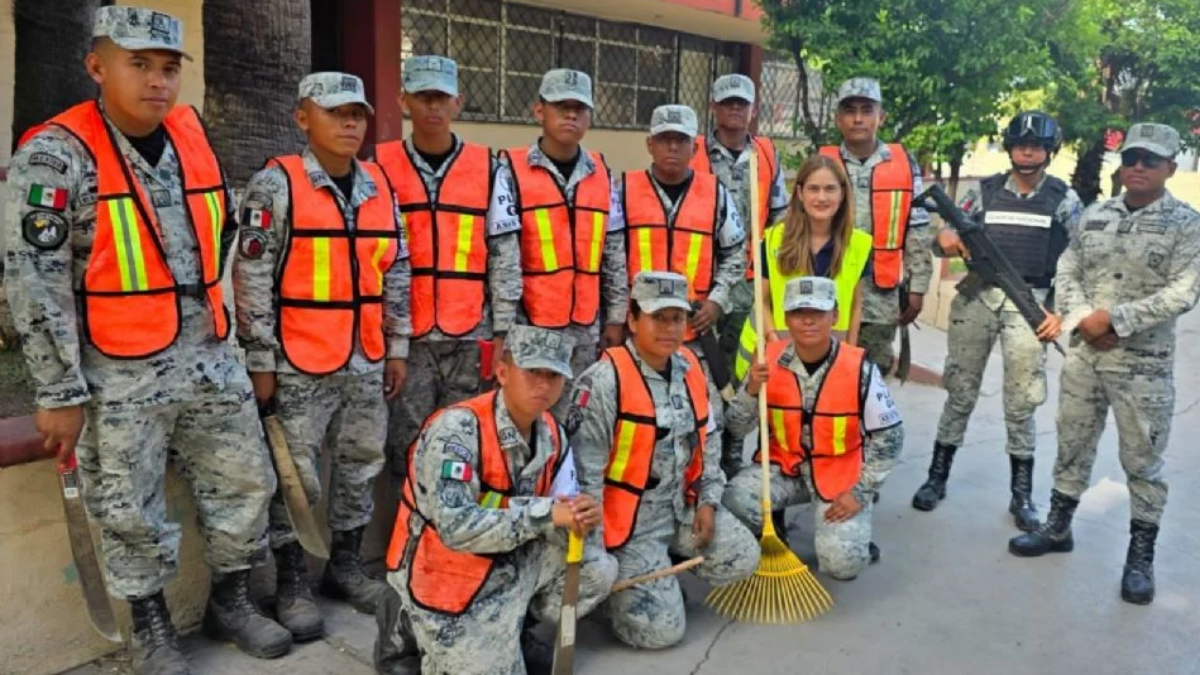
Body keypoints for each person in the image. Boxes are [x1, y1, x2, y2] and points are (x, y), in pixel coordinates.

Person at [4, 7, 290, 671]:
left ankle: (231, 598)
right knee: (130, 507)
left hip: (209, 355)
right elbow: (32, 280)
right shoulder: (55, 155)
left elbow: (220, 239)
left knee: (247, 483)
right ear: (97, 66)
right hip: (118, 369)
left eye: (168, 68)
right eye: (138, 64)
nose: (158, 82)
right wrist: (57, 389)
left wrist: (246, 346)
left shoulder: (191, 133)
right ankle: (153, 627)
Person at [233, 72, 410, 638]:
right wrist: (261, 360)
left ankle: (346, 566)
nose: (349, 123)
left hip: (365, 357)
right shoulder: (275, 185)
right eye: (335, 113)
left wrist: (396, 347)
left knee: (361, 464)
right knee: (296, 475)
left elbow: (396, 271)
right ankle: (292, 582)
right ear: (303, 119)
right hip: (297, 360)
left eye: (356, 113)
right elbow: (252, 275)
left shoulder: (378, 185)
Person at [1009, 123, 1200, 605]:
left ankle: (1140, 559)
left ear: (1170, 168)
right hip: (1086, 357)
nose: (1137, 167)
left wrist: (1114, 319)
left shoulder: (1188, 224)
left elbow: (1184, 290)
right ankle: (1057, 528)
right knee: (1072, 443)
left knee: (1142, 460)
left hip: (1143, 365)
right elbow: (1068, 268)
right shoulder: (1095, 215)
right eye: (1131, 157)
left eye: (1150, 160)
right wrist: (1079, 318)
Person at [376, 325, 617, 675]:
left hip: (507, 558)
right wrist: (547, 514)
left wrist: (581, 514)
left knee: (598, 569)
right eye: (533, 371)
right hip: (446, 569)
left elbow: (564, 510)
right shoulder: (457, 430)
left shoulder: (551, 432)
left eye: (554, 375)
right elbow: (456, 529)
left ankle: (510, 625)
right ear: (502, 372)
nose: (544, 385)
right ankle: (405, 622)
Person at [566, 271, 759, 649]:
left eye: (678, 318)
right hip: (628, 527)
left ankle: (657, 574)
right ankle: (616, 595)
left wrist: (707, 501)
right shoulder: (603, 382)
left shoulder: (690, 369)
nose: (671, 328)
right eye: (658, 317)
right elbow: (583, 480)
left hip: (679, 509)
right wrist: (595, 561)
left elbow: (710, 442)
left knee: (741, 556)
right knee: (661, 633)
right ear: (634, 320)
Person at [914, 111, 1081, 531]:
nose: (1028, 151)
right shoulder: (982, 194)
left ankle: (1021, 496)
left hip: (1032, 305)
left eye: (1037, 145)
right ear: (1009, 148)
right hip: (977, 301)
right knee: (959, 390)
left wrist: (1061, 312)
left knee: (1021, 402)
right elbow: (940, 239)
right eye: (1021, 144)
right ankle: (936, 478)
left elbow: (1080, 261)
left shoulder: (1065, 200)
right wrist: (944, 240)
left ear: (1049, 150)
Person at [375, 55, 522, 486]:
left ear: (458, 102)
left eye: (441, 97)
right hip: (410, 341)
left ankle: (456, 540)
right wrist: (392, 342)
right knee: (408, 444)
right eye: (423, 97)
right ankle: (412, 538)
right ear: (404, 101)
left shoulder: (489, 169)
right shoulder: (380, 168)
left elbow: (504, 253)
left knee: (466, 441)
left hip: (470, 337)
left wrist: (502, 334)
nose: (432, 107)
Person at [722, 277, 904, 581]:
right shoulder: (768, 359)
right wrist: (751, 390)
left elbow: (891, 438)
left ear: (834, 316)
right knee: (736, 498)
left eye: (818, 312)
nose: (807, 320)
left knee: (842, 565)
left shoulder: (858, 367)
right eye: (798, 312)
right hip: (784, 471)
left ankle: (851, 534)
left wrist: (860, 492)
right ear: (785, 317)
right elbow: (736, 427)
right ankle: (772, 531)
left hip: (839, 475)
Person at [501, 69, 628, 418]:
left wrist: (615, 317)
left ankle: (566, 474)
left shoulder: (601, 173)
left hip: (584, 329)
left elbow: (614, 252)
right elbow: (503, 259)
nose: (571, 115)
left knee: (576, 417)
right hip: (530, 325)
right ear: (539, 111)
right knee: (526, 415)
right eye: (561, 106)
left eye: (579, 108)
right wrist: (504, 327)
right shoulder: (509, 170)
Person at [819, 77, 934, 375]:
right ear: (838, 119)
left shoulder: (904, 165)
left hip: (881, 294)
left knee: (873, 374)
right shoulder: (822, 163)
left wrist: (918, 286)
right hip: (828, 289)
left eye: (866, 110)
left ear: (880, 117)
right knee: (827, 372)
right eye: (850, 110)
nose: (858, 118)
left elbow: (917, 228)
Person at [733, 153, 874, 382]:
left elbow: (856, 306)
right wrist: (775, 345)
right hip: (772, 358)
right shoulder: (773, 240)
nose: (821, 197)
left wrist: (848, 355)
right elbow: (763, 301)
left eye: (830, 189)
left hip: (826, 361)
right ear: (800, 193)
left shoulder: (858, 244)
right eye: (813, 189)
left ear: (842, 193)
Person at [689, 74, 789, 373]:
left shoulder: (766, 154)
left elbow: (779, 216)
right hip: (701, 279)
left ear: (754, 109)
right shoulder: (692, 151)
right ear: (713, 107)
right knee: (699, 360)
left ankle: (736, 418)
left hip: (748, 280)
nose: (734, 108)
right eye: (727, 102)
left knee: (739, 361)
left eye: (741, 103)